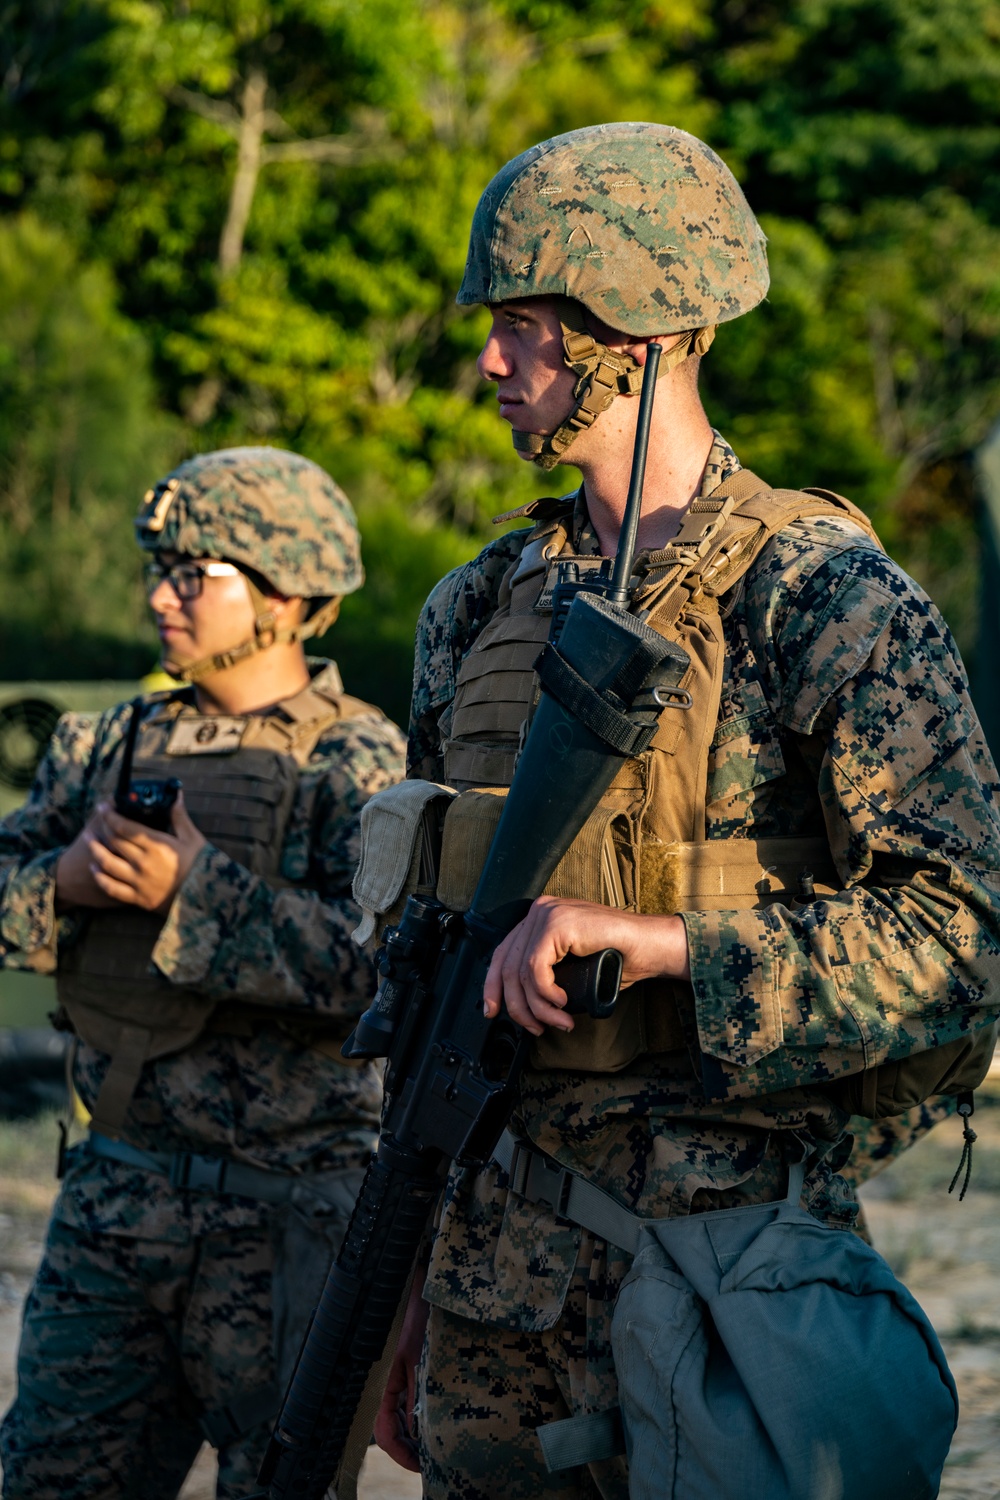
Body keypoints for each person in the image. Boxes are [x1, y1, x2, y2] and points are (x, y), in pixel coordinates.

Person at [375, 123, 1000, 1498]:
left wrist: (665, 949)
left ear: (641, 338)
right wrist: (405, 1296)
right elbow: (424, 978)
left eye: (527, 328)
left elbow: (965, 936)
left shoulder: (819, 596)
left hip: (715, 1300)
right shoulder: (476, 611)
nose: (491, 361)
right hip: (490, 1315)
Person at [0, 447, 406, 1498]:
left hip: (289, 1225)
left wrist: (197, 891)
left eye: (196, 572)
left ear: (289, 593)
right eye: (158, 567)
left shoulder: (353, 765)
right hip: (114, 1200)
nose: (161, 595)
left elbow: (381, 974)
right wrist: (69, 884)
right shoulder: (105, 745)